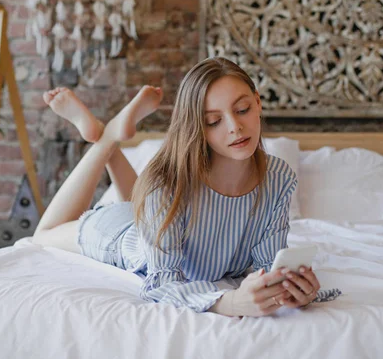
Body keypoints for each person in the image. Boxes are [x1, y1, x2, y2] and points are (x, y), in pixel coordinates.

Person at [33, 57, 322, 317]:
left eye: (243, 109)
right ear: (197, 126)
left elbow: (268, 266)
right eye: (214, 121)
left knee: (144, 203)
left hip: (155, 220)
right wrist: (230, 303)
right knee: (43, 235)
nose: (235, 126)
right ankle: (107, 138)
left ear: (258, 103)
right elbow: (162, 284)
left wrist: (294, 290)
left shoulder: (278, 177)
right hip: (123, 238)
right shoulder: (167, 185)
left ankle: (110, 134)